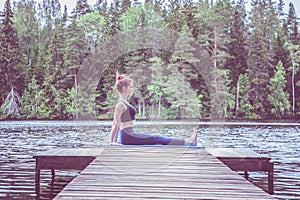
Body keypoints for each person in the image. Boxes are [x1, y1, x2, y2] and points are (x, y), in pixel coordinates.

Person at [110, 72, 197, 146]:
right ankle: (189, 142)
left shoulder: (125, 103)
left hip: (129, 135)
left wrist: (116, 141)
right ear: (125, 88)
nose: (132, 89)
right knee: (158, 138)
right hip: (128, 137)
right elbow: (116, 124)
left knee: (157, 138)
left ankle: (188, 142)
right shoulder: (120, 104)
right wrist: (112, 142)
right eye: (131, 87)